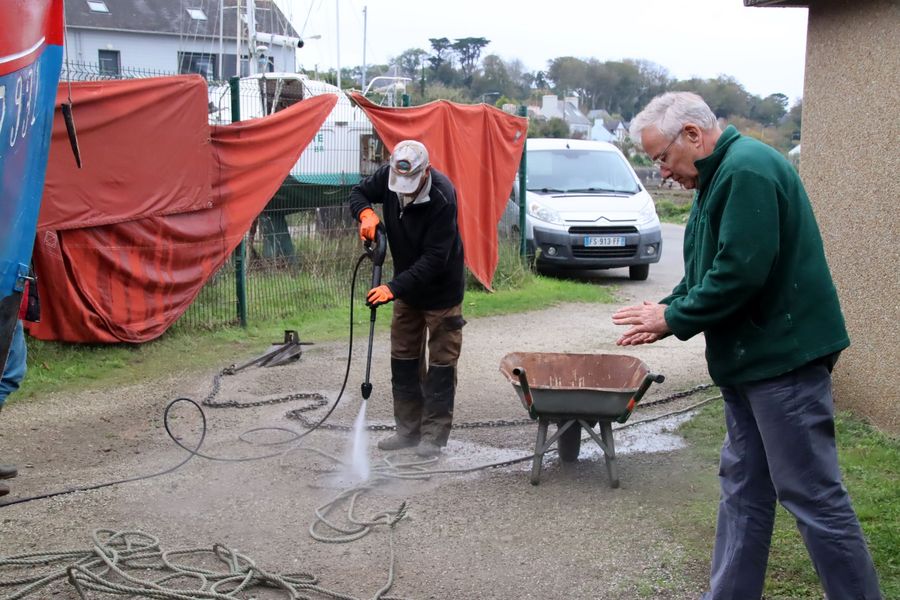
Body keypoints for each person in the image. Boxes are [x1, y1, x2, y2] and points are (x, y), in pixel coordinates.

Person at [612, 92, 881, 599]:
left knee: (813, 496)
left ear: (693, 135)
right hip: (749, 364)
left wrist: (674, 318)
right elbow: (708, 271)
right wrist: (669, 308)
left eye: (662, 157)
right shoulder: (717, 177)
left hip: (783, 363)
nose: (662, 172)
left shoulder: (746, 170)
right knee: (743, 490)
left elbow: (740, 274)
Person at [348, 140, 466, 459]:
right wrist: (365, 214)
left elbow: (435, 259)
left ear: (425, 171)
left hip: (441, 292)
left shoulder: (443, 197)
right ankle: (408, 430)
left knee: (441, 364)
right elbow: (357, 193)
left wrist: (392, 288)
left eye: (411, 183)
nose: (405, 191)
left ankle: (433, 436)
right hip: (407, 290)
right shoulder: (389, 177)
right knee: (403, 359)